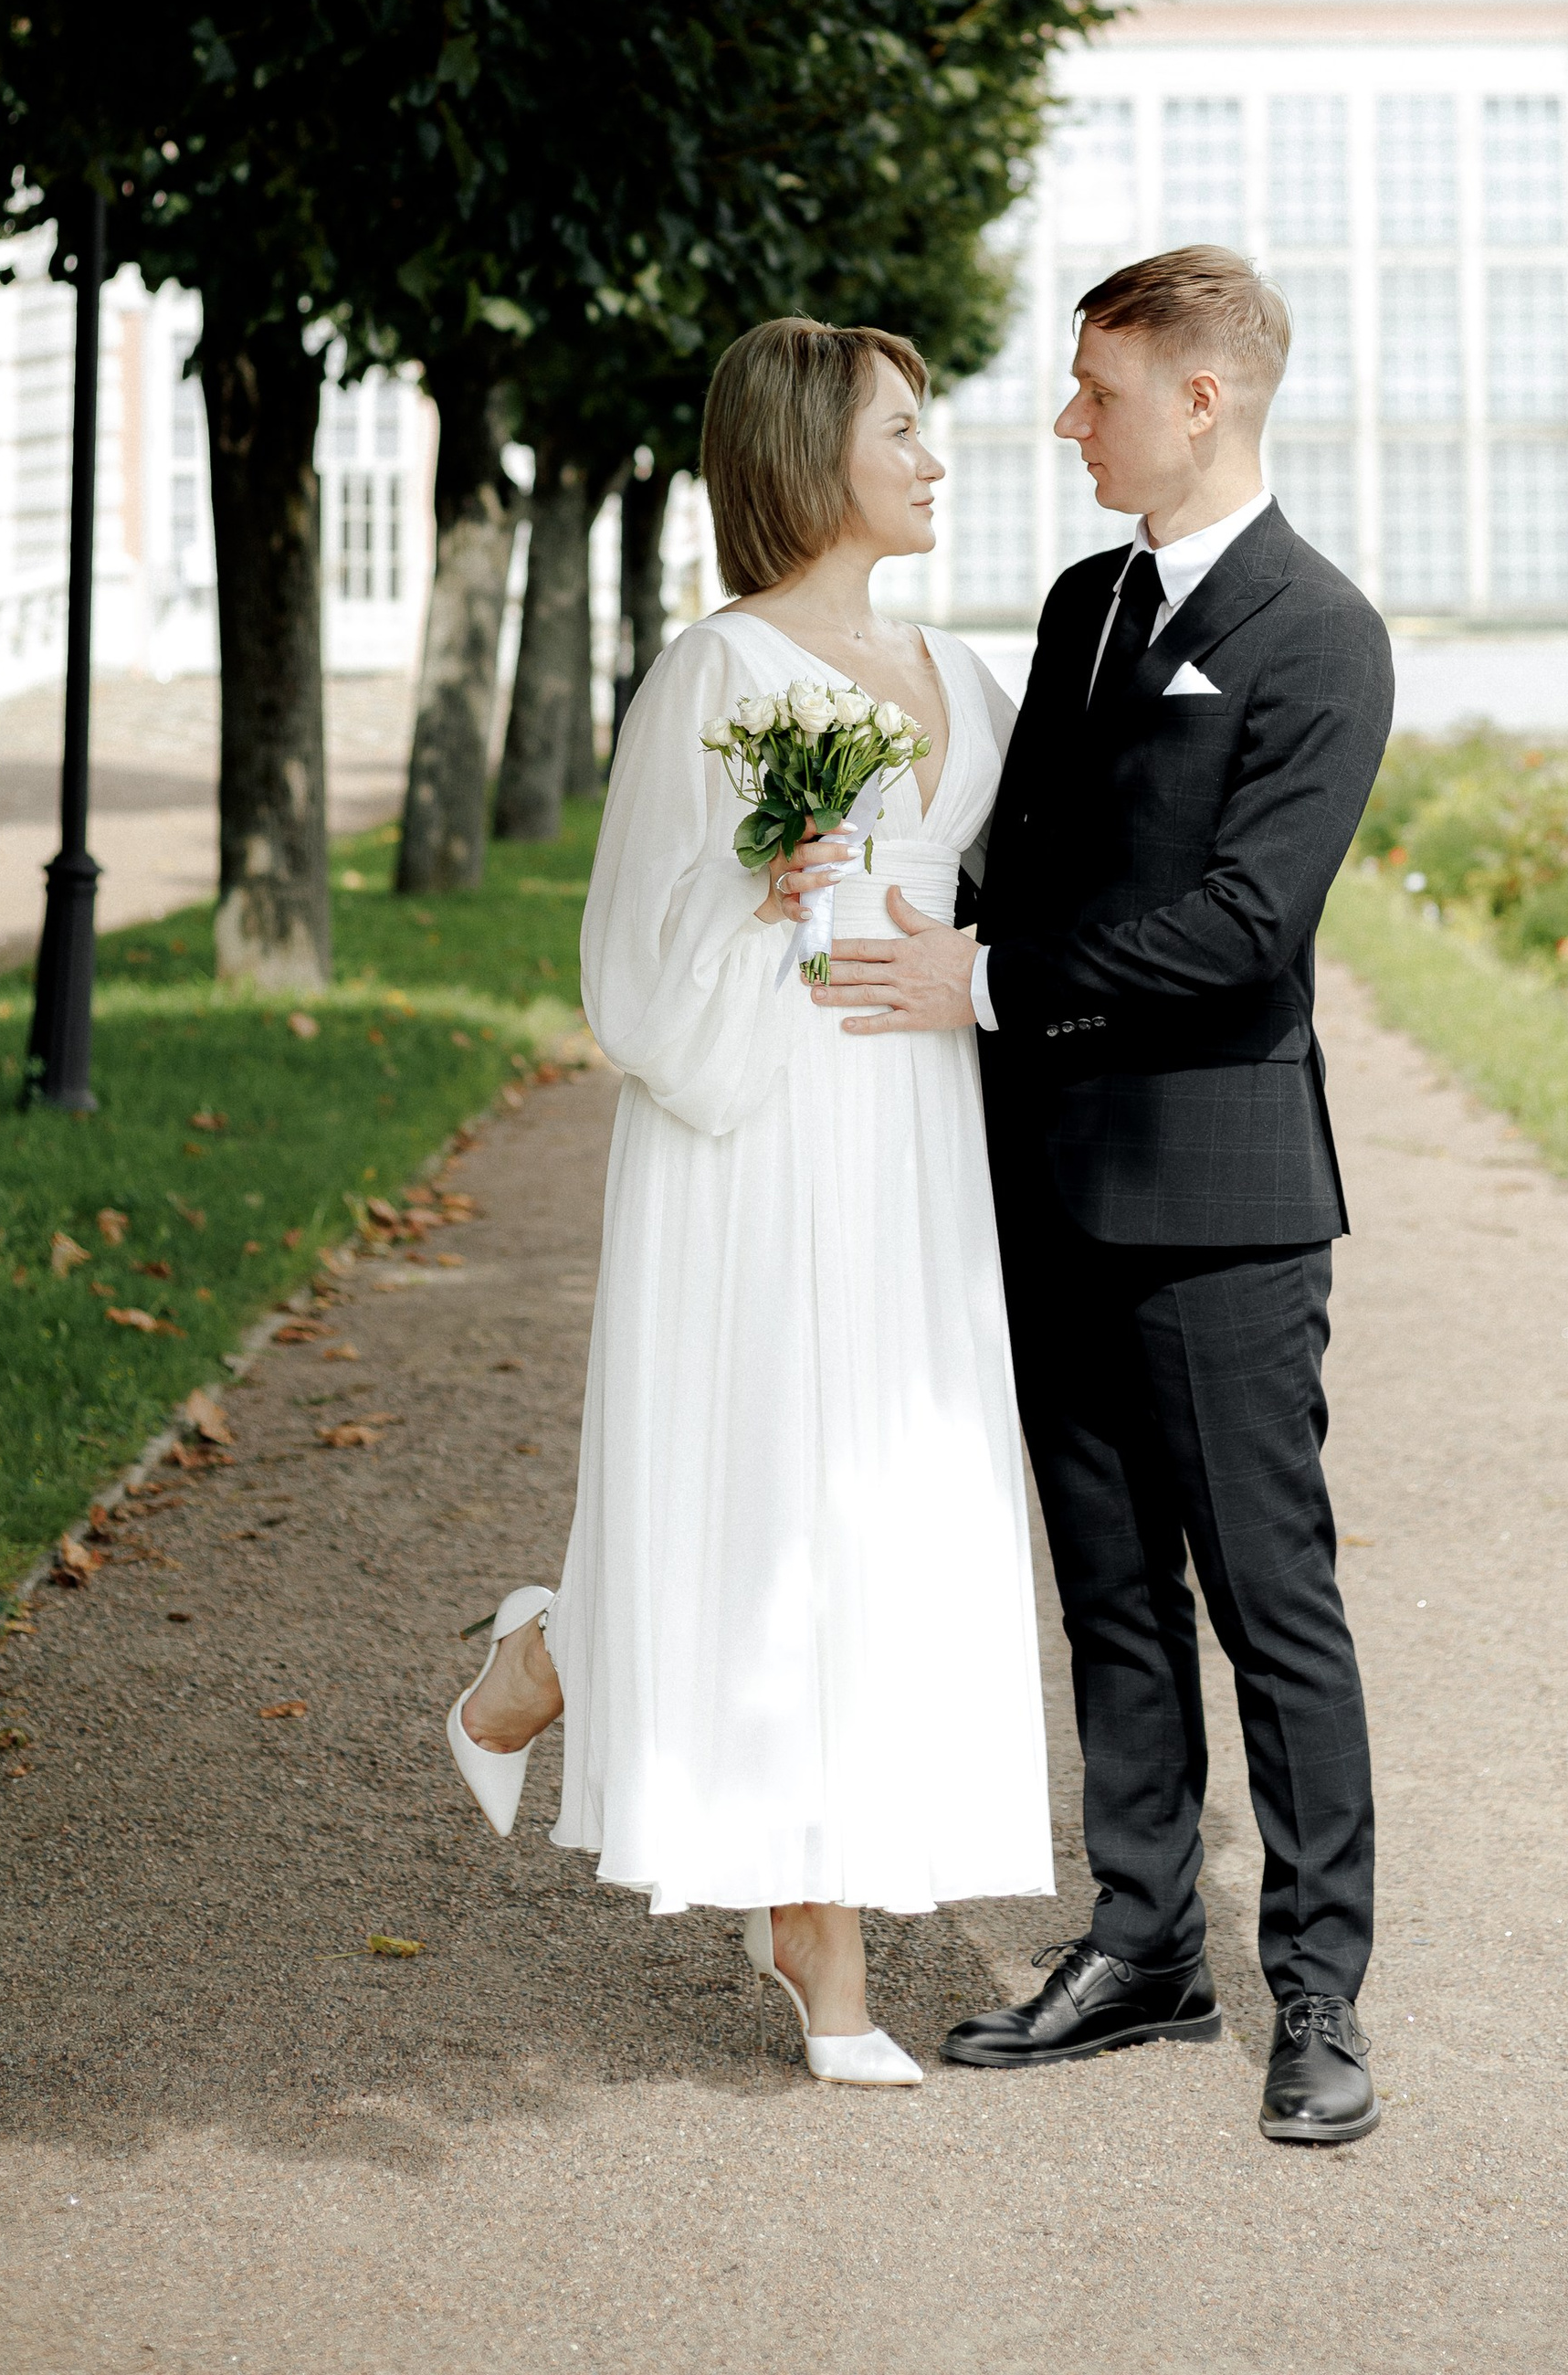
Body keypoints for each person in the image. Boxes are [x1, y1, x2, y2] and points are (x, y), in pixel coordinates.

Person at [818, 245, 1394, 2147]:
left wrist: (986, 980)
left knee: (1270, 1605)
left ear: (1200, 399)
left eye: (1098, 388)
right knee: (1110, 1596)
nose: (1069, 420)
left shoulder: (1322, 633)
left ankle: (1317, 1993)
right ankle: (1144, 1944)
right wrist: (846, 881)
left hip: (1221, 1203)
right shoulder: (1081, 607)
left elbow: (1245, 928)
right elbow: (1013, 856)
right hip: (1047, 1185)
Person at [446, 317, 1051, 2086]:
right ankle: (814, 1927)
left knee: (893, 1485)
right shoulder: (712, 671)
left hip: (918, 1122)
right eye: (898, 428)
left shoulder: (965, 672)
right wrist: (761, 895)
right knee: (775, 1473)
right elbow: (630, 960)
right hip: (761, 1122)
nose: (933, 458)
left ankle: (552, 1651)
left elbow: (1024, 891)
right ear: (802, 453)